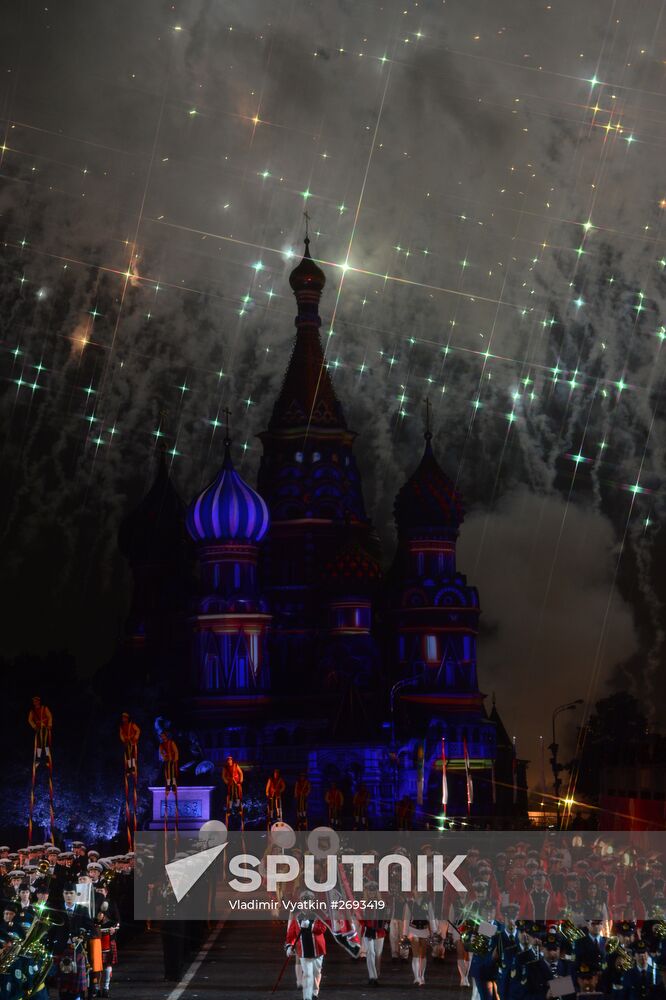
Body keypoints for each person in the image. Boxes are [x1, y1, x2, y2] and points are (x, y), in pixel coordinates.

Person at [285, 891, 328, 1000]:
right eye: (304, 902)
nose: (306, 905)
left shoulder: (319, 915)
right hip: (304, 950)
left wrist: (310, 926)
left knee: (316, 972)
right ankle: (307, 997)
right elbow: (291, 933)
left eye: (309, 902)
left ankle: (314, 992)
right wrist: (289, 946)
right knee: (308, 974)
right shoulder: (297, 917)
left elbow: (323, 929)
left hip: (317, 949)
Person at [402, 889, 437, 986]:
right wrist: (405, 934)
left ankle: (422, 976)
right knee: (416, 954)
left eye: (420, 890)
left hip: (425, 930)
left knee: (423, 955)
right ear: (413, 891)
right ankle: (416, 977)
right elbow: (406, 918)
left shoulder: (427, 902)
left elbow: (431, 916)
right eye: (416, 890)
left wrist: (434, 931)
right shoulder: (409, 903)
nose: (418, 892)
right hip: (413, 930)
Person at [359, 883, 388, 986]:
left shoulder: (382, 903)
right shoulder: (362, 903)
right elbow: (360, 918)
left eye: (373, 890)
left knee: (378, 955)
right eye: (369, 891)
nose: (371, 893)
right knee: (370, 953)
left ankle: (376, 974)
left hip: (379, 932)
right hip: (368, 931)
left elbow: (386, 917)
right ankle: (372, 977)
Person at [28, 696, 53, 768]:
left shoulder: (44, 708)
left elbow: (49, 716)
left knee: (46, 743)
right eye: (34, 701)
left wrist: (49, 725)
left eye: (36, 701)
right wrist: (34, 726)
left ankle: (47, 758)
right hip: (38, 729)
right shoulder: (32, 711)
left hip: (45, 727)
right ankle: (38, 759)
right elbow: (30, 720)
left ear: (39, 701)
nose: (35, 702)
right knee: (39, 744)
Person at [222, 755, 244, 827]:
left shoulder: (235, 765)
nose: (229, 761)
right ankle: (230, 809)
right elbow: (223, 776)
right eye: (228, 760)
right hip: (230, 783)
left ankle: (238, 808)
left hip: (236, 783)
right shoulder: (225, 767)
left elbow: (240, 772)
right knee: (230, 796)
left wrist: (240, 781)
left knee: (237, 795)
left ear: (232, 760)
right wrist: (227, 782)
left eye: (230, 760)